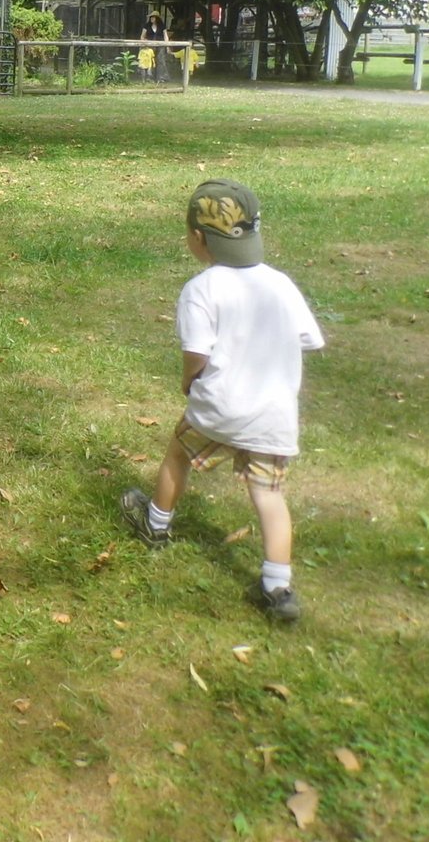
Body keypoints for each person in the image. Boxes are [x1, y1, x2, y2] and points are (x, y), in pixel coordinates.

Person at [120, 179, 325, 622]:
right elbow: (308, 339)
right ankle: (278, 586)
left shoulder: (201, 289)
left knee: (178, 454)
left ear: (197, 237)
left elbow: (196, 355)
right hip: (273, 416)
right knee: (269, 493)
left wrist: (188, 381)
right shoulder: (280, 284)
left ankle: (155, 524)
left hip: (219, 409)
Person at [141, 13, 169, 83]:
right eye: (151, 17)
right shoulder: (146, 26)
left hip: (160, 45)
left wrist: (167, 45)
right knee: (150, 60)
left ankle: (161, 77)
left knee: (160, 60)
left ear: (157, 18)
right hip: (150, 46)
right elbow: (142, 36)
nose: (152, 18)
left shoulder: (162, 26)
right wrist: (144, 43)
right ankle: (150, 77)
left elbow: (165, 36)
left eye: (153, 17)